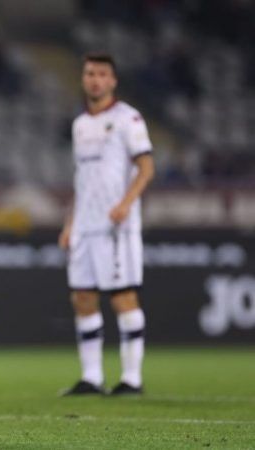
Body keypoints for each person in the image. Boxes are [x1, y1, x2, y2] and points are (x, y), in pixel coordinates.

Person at [58, 52, 154, 396]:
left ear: (113, 81)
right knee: (82, 297)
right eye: (89, 73)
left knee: (122, 296)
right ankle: (92, 377)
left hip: (115, 225)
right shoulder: (80, 124)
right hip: (84, 225)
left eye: (101, 74)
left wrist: (126, 204)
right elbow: (81, 179)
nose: (95, 80)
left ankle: (132, 379)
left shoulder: (129, 118)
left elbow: (146, 168)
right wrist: (70, 223)